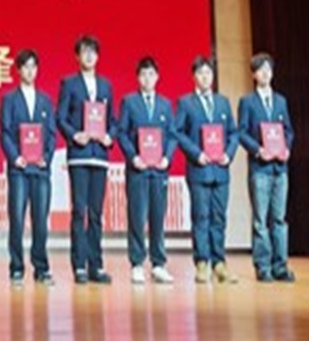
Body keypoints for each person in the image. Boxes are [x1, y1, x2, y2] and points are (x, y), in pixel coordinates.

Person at [56, 35, 115, 284]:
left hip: (99, 156)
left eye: (93, 52)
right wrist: (74, 135)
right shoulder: (69, 83)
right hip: (79, 157)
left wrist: (109, 136)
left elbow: (112, 120)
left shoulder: (106, 86)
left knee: (97, 213)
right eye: (84, 52)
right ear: (77, 56)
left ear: (98, 56)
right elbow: (61, 117)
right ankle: (79, 265)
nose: (89, 56)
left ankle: (96, 265)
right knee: (79, 212)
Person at [175, 56, 239, 284]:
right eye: (201, 73)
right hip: (199, 169)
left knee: (219, 217)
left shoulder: (223, 102)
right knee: (201, 216)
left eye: (208, 73)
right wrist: (196, 154)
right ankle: (202, 262)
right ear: (194, 76)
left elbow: (233, 133)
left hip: (220, 169)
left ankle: (219, 263)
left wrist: (228, 154)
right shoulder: (185, 103)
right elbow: (178, 132)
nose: (205, 77)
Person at [117, 57, 178, 284]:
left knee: (158, 217)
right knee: (137, 217)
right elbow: (122, 133)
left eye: (151, 74)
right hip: (138, 170)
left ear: (157, 77)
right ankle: (136, 263)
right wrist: (133, 157)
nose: (147, 78)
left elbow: (172, 135)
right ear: (137, 77)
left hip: (159, 171)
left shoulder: (165, 105)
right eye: (143, 74)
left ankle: (158, 264)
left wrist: (166, 158)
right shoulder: (129, 102)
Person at [0, 49, 56, 286]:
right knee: (17, 219)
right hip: (19, 170)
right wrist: (15, 157)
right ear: (18, 70)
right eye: (25, 67)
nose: (30, 71)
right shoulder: (9, 100)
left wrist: (46, 157)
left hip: (40, 169)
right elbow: (5, 132)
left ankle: (41, 267)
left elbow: (51, 134)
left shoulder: (45, 101)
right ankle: (16, 267)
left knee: (40, 220)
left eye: (34, 66)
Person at [238, 52, 296, 283]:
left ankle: (280, 265)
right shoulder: (247, 102)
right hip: (260, 168)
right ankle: (263, 266)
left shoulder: (281, 101)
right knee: (260, 220)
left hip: (280, 168)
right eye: (261, 69)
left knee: (279, 219)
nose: (265, 73)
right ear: (254, 74)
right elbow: (241, 133)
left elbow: (288, 130)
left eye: (268, 69)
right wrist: (257, 150)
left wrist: (287, 148)